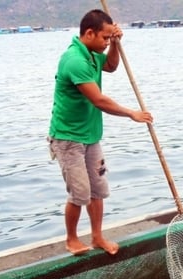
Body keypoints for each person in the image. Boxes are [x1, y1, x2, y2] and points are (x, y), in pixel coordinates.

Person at [48, 9, 153, 256]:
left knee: (97, 188)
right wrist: (132, 114)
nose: (106, 43)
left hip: (90, 134)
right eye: (105, 38)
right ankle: (72, 239)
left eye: (109, 38)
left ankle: (97, 236)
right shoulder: (74, 59)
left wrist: (115, 44)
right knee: (80, 192)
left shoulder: (94, 54)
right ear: (89, 33)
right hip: (68, 137)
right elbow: (98, 100)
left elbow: (112, 65)